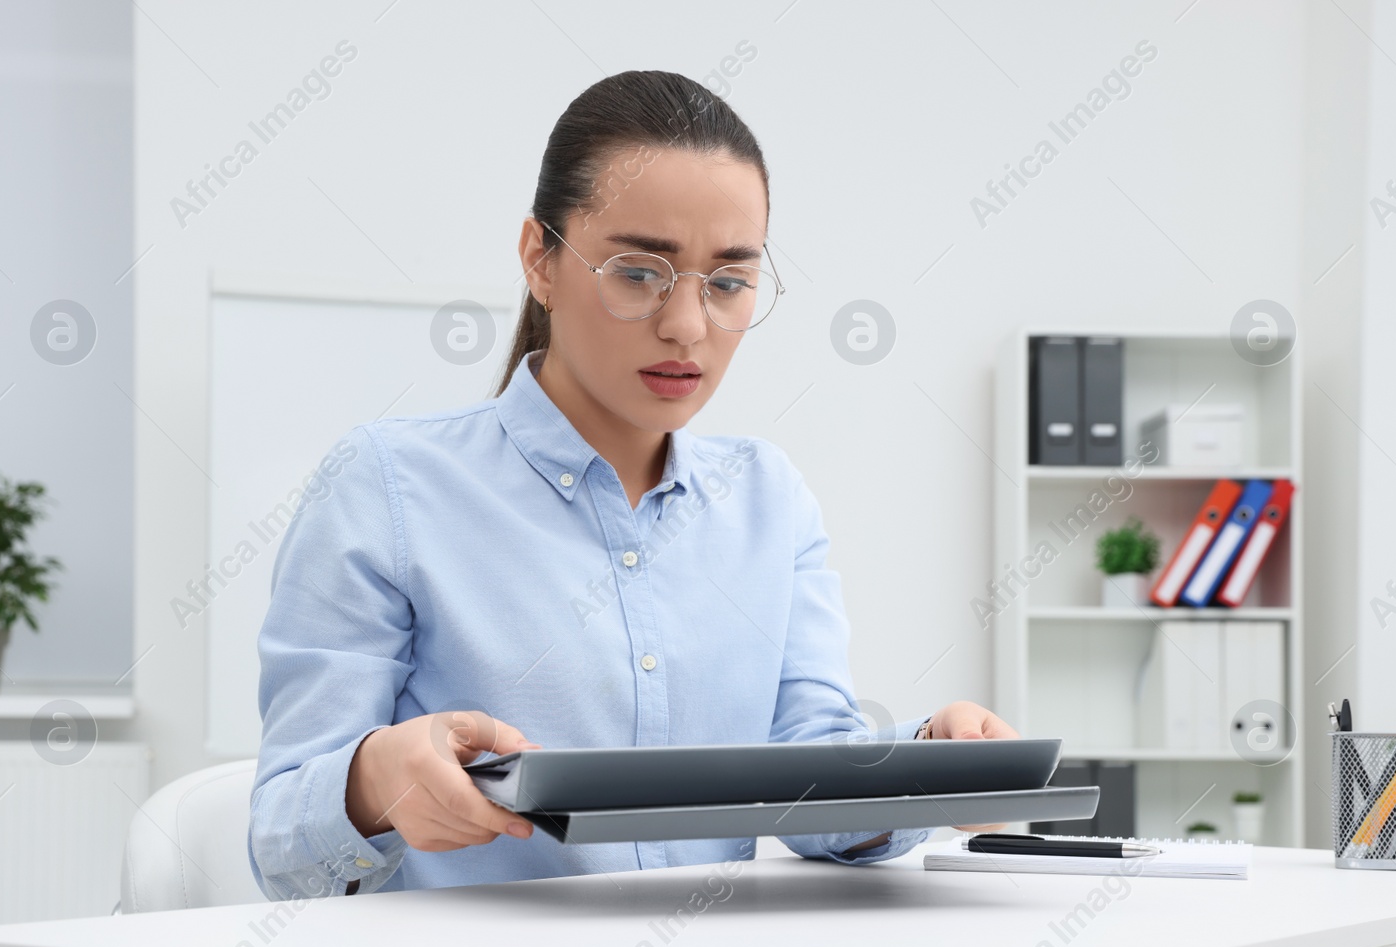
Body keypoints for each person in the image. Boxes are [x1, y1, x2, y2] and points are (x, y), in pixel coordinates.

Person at [247, 69, 1017, 901]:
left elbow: (814, 789)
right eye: (638, 272)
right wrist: (372, 781)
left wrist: (925, 757)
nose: (687, 326)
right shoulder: (387, 487)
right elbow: (280, 840)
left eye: (727, 282)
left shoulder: (769, 498)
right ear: (541, 259)